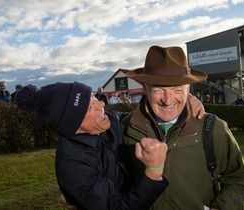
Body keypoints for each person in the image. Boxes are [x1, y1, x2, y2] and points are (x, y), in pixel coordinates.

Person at [121, 45, 244, 210]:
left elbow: (238, 178)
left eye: (177, 90)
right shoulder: (123, 129)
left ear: (188, 89)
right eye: (159, 90)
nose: (168, 100)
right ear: (145, 88)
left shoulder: (213, 128)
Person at [15, 82, 170, 210]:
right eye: (88, 107)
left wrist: (185, 101)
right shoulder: (73, 166)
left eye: (93, 97)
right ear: (73, 125)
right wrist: (153, 172)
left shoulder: (109, 120)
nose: (101, 103)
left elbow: (138, 119)